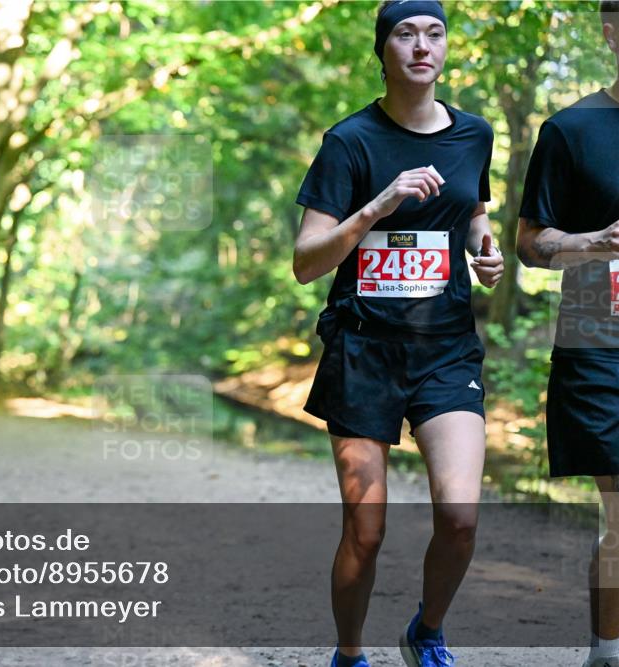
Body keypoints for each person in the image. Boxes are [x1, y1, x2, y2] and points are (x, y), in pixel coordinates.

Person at [292, 2, 503, 665]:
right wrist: (380, 203)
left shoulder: (475, 134)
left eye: (434, 33)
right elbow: (306, 262)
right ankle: (350, 652)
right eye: (405, 34)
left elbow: (470, 208)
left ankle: (426, 629)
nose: (421, 45)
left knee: (462, 516)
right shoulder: (350, 142)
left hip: (445, 349)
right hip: (364, 351)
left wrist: (483, 247)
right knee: (366, 529)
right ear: (382, 49)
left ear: (446, 48)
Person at [515, 4, 619, 665]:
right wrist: (592, 242)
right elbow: (529, 241)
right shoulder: (571, 128)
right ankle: (608, 650)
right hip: (599, 347)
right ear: (611, 30)